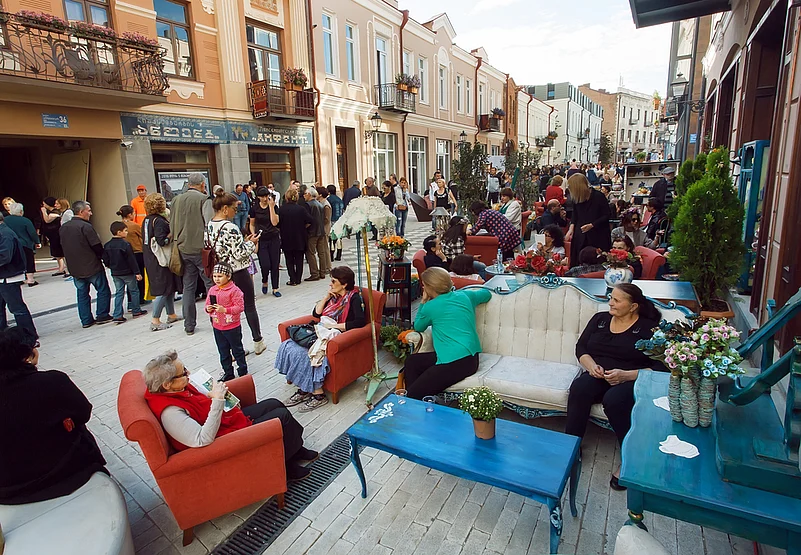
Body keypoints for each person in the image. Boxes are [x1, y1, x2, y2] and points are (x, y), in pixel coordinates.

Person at [143, 349, 317, 481]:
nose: (188, 374)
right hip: (221, 439)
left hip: (224, 422)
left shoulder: (177, 388)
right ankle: (284, 465)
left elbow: (200, 404)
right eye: (183, 373)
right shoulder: (170, 413)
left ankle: (294, 449)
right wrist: (218, 400)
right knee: (281, 417)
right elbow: (202, 439)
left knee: (275, 403)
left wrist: (221, 398)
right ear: (167, 385)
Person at [565, 284, 663, 490]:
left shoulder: (648, 328)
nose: (610, 302)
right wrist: (591, 366)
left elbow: (661, 366)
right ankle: (571, 446)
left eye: (617, 300)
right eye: (611, 297)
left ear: (633, 306)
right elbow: (581, 347)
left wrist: (626, 375)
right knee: (579, 389)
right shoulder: (600, 320)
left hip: (632, 377)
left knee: (615, 400)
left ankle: (630, 458)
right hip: (599, 372)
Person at [0, 327, 108, 504]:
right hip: (64, 475)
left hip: (8, 490)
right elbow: (83, 412)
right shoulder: (52, 381)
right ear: (28, 356)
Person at [275, 266, 366, 412]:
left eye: (333, 281)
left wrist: (335, 325)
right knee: (289, 346)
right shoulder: (333, 297)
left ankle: (318, 395)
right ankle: (304, 388)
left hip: (335, 334)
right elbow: (316, 315)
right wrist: (326, 297)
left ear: (344, 284)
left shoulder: (354, 298)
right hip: (320, 330)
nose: (330, 284)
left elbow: (360, 322)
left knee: (308, 355)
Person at [401, 267, 491, 399]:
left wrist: (423, 301)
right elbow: (486, 294)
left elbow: (418, 327)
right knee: (412, 362)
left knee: (413, 394)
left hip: (454, 362)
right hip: (470, 358)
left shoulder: (430, 307)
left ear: (430, 288)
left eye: (424, 285)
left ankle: (416, 402)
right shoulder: (465, 296)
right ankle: (422, 402)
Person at [206, 190, 266, 355]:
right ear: (225, 208)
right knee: (248, 306)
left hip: (220, 272)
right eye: (234, 208)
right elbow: (239, 253)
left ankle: (234, 349)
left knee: (224, 310)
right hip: (237, 271)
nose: (236, 212)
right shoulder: (230, 227)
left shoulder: (210, 224)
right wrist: (251, 243)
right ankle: (257, 340)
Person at [170, 172, 214, 336]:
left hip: (182, 247)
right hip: (201, 248)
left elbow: (171, 222)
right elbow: (209, 224)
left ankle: (189, 325)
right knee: (210, 283)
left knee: (188, 287)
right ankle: (215, 319)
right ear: (202, 184)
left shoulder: (176, 200)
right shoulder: (204, 199)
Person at [60, 201, 112, 328]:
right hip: (91, 264)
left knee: (82, 293)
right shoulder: (86, 226)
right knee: (103, 289)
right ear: (81, 211)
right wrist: (104, 258)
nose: (90, 213)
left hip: (74, 267)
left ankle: (86, 319)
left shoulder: (64, 228)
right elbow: (96, 246)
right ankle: (102, 314)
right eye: (88, 210)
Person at [142, 194, 181, 332]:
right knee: (163, 289)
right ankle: (155, 320)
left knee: (168, 287)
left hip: (150, 257)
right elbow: (161, 241)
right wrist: (172, 234)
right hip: (160, 259)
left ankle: (171, 314)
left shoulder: (147, 219)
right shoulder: (159, 220)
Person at [204, 263, 247, 381]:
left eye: (220, 276)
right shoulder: (213, 290)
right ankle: (228, 372)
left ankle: (243, 370)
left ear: (228, 276)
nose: (217, 279)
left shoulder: (234, 290)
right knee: (223, 351)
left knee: (237, 349)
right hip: (217, 326)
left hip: (232, 326)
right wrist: (208, 309)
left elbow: (240, 307)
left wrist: (225, 310)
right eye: (215, 276)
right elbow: (207, 303)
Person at [0, 215, 37, 338]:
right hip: (4, 276)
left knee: (17, 308)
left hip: (8, 277)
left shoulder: (5, 234)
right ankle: (3, 333)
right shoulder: (4, 232)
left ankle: (29, 334)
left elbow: (5, 256)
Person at [102, 221, 146, 323]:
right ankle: (136, 310)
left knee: (119, 292)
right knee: (134, 291)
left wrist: (110, 266)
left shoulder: (107, 245)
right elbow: (131, 260)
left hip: (116, 273)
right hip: (128, 272)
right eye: (125, 231)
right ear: (119, 232)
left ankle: (117, 314)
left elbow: (106, 259)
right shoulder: (126, 244)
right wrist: (137, 272)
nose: (127, 233)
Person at [565, 174, 611, 267]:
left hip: (597, 234)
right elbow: (575, 215)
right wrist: (571, 228)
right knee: (578, 260)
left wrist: (592, 225)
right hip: (580, 234)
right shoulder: (576, 198)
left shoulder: (598, 197)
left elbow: (607, 215)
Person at [249, 186, 282, 297]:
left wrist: (271, 207)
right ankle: (264, 280)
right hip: (261, 239)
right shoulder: (254, 209)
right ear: (258, 197)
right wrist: (253, 234)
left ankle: (275, 288)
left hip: (273, 237)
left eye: (266, 196)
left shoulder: (274, 207)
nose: (265, 198)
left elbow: (275, 223)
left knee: (274, 264)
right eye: (262, 196)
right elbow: (252, 223)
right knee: (265, 264)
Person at [280, 189, 314, 286]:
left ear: (286, 197)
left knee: (289, 260)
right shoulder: (301, 209)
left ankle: (292, 279)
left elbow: (278, 224)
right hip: (299, 237)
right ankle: (298, 279)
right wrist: (304, 226)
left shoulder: (281, 209)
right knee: (299, 259)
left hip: (286, 237)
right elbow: (311, 220)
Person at [5, 203, 40, 287]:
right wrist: (37, 241)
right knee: (29, 261)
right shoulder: (25, 220)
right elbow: (32, 233)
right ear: (21, 211)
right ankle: (30, 280)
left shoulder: (5, 220)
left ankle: (19, 278)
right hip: (25, 244)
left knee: (15, 261)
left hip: (10, 244)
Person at [118, 205, 146, 305]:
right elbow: (144, 236)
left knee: (130, 278)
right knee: (140, 277)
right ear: (130, 214)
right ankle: (140, 299)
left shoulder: (118, 226)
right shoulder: (134, 225)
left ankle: (131, 301)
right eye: (133, 213)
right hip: (137, 252)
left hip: (124, 254)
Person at [303, 187, 328, 281]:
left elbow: (308, 220)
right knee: (321, 253)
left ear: (309, 194)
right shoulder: (320, 204)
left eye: (305, 194)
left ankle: (314, 273)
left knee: (311, 253)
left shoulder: (308, 205)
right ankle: (322, 272)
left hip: (312, 232)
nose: (304, 195)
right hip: (320, 231)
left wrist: (305, 227)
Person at [40, 197, 67, 276]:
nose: (43, 205)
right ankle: (61, 269)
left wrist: (44, 212)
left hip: (57, 234)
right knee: (57, 253)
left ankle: (67, 269)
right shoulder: (51, 211)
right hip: (51, 235)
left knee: (61, 252)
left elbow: (47, 220)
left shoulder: (55, 212)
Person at [316, 187, 333, 278]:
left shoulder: (326, 205)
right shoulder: (321, 203)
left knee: (325, 248)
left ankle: (328, 267)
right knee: (324, 248)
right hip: (323, 228)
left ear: (320, 194)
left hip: (325, 229)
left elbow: (326, 219)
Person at [327, 184, 344, 261]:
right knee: (339, 238)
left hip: (332, 220)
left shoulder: (329, 199)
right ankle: (339, 255)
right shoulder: (339, 199)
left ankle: (331, 256)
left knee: (332, 239)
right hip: (340, 220)